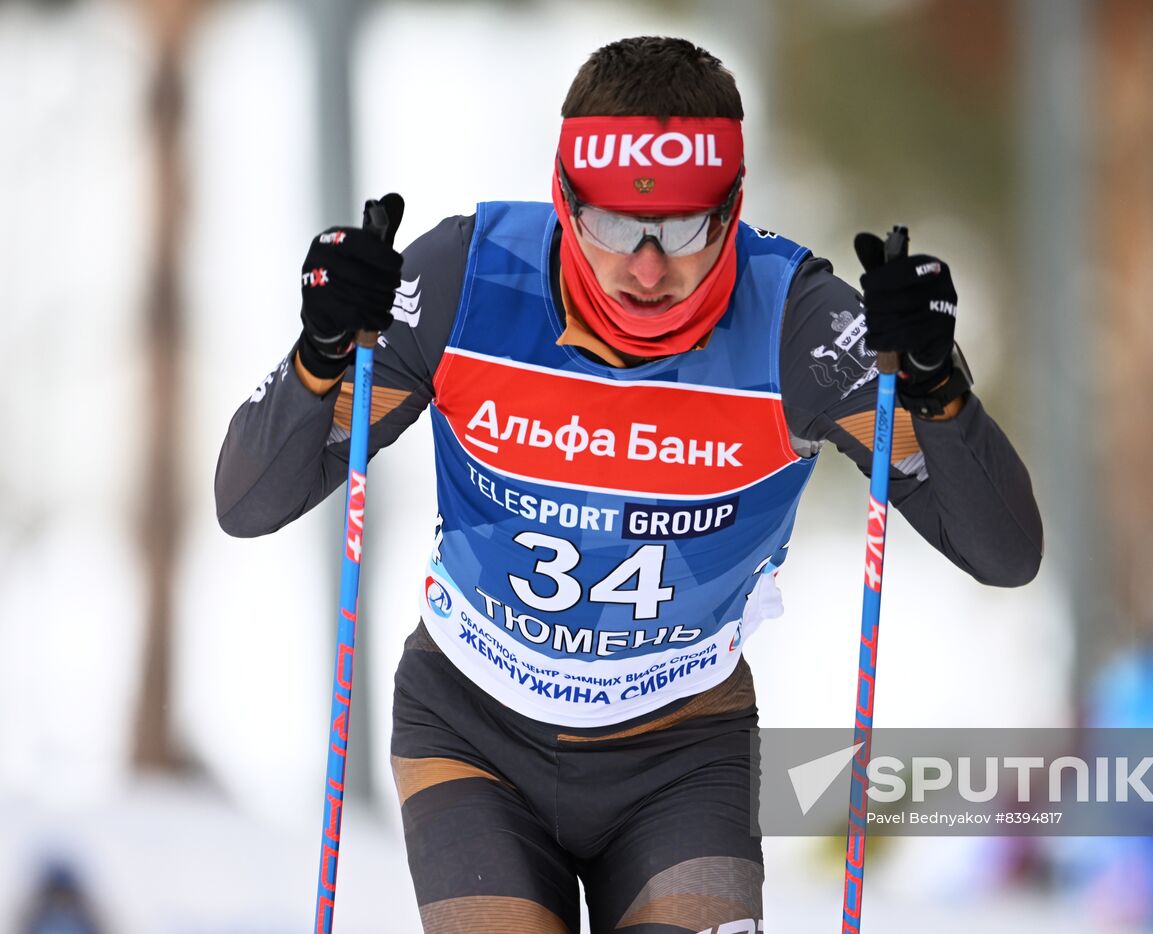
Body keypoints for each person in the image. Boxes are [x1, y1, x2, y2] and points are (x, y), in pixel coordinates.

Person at [216, 36, 1041, 934]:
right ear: (564, 201)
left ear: (733, 207)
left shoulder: (796, 328)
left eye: (684, 228)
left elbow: (1004, 552)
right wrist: (319, 356)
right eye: (614, 226)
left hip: (680, 754)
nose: (648, 268)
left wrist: (936, 386)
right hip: (474, 735)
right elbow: (249, 500)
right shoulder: (464, 280)